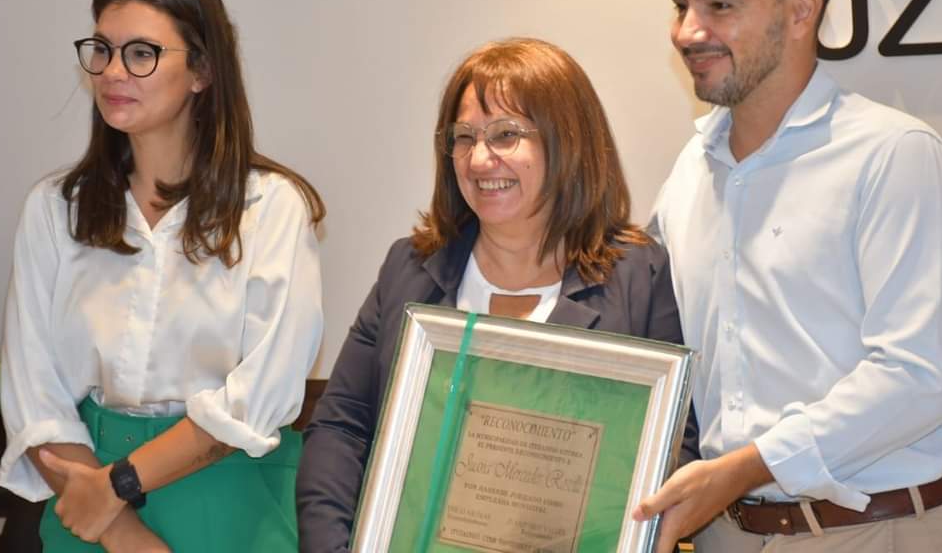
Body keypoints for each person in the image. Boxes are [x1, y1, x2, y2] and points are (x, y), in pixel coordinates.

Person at [633, 0, 942, 552]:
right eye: (682, 6)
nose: (687, 31)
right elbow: (649, 334)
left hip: (873, 532)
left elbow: (915, 379)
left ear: (801, 10)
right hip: (724, 532)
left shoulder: (895, 155)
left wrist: (744, 468)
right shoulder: (690, 170)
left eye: (720, 6)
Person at [297, 37, 699, 552]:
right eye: (464, 137)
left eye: (506, 135)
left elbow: (672, 452)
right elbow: (342, 427)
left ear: (568, 143)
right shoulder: (409, 269)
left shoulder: (640, 275)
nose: (479, 159)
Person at [0, 0, 325, 552]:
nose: (112, 72)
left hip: (226, 490)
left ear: (202, 71)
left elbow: (260, 395)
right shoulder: (54, 208)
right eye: (103, 50)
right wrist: (124, 532)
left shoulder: (272, 207)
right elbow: (35, 396)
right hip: (84, 496)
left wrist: (121, 485)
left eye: (141, 53)